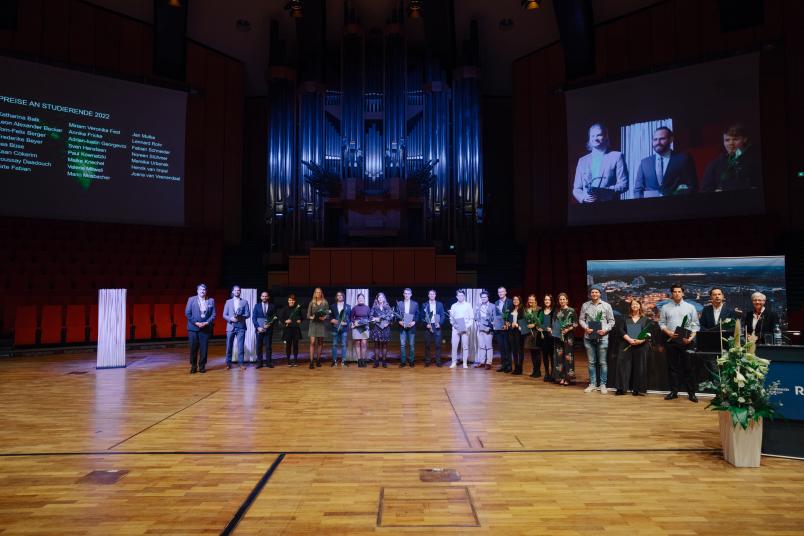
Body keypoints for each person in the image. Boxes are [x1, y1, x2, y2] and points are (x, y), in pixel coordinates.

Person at [659, 284, 701, 402]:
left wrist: (690, 338)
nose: (677, 293)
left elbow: (695, 325)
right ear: (671, 293)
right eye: (675, 292)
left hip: (686, 342)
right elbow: (661, 323)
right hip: (671, 341)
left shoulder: (690, 307)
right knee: (672, 368)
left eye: (679, 291)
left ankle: (691, 393)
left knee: (688, 368)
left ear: (683, 293)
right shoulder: (665, 307)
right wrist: (669, 333)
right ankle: (674, 392)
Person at [634, 126, 698, 198]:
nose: (658, 142)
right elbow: (638, 190)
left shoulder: (683, 159)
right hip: (650, 207)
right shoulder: (644, 163)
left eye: (662, 139)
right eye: (655, 139)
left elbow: (692, 186)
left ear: (671, 140)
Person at [572, 123, 628, 203]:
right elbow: (576, 189)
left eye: (599, 135)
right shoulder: (582, 161)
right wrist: (583, 197)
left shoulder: (617, 156)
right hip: (587, 209)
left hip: (609, 207)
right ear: (589, 138)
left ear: (606, 137)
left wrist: (602, 192)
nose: (595, 138)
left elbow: (624, 184)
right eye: (592, 136)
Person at [700, 124, 761, 193]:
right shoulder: (715, 164)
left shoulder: (755, 161)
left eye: (735, 139)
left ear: (745, 139)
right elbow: (704, 190)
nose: (731, 143)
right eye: (727, 140)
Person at [579, 285, 615, 393]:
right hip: (589, 338)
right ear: (590, 294)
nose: (594, 294)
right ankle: (592, 384)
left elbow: (612, 321)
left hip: (603, 337)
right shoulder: (585, 305)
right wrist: (586, 328)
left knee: (603, 362)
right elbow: (581, 320)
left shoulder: (606, 306)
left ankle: (603, 384)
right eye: (592, 292)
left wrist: (605, 330)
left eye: (596, 292)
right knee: (591, 362)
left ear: (600, 294)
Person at [615, 298, 650, 396]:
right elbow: (621, 330)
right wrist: (629, 339)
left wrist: (641, 340)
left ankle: (637, 389)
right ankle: (621, 388)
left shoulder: (645, 319)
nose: (635, 306)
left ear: (640, 306)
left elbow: (648, 333)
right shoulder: (625, 318)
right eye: (633, 304)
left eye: (637, 304)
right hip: (626, 344)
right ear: (630, 306)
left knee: (639, 367)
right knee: (623, 366)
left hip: (641, 345)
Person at [185, 283, 215, 374]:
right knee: (193, 348)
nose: (202, 291)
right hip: (193, 329)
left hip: (205, 328)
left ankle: (202, 366)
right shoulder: (191, 299)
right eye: (201, 289)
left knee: (204, 349)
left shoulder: (211, 300)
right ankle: (193, 366)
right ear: (197, 291)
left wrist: (206, 322)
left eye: (204, 290)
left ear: (206, 291)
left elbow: (213, 315)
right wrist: (196, 322)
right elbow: (187, 313)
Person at [223, 285, 250, 371]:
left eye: (239, 290)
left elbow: (248, 314)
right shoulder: (228, 302)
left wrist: (240, 317)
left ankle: (241, 364)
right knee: (229, 346)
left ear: (240, 292)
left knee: (240, 346)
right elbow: (224, 315)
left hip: (241, 327)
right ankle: (228, 364)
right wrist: (230, 319)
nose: (237, 292)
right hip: (230, 326)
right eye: (236, 290)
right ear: (233, 292)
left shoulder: (244, 302)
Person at [554, 292, 577, 386]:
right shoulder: (557, 311)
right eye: (560, 299)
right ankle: (562, 377)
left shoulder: (571, 310)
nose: (562, 301)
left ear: (567, 300)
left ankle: (568, 378)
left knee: (568, 357)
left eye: (564, 299)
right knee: (559, 357)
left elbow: (575, 324)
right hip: (558, 336)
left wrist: (567, 329)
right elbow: (555, 323)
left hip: (568, 337)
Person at [449, 289, 474, 369]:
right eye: (459, 295)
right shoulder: (453, 306)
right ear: (457, 296)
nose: (460, 297)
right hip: (456, 328)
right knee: (454, 345)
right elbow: (451, 319)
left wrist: (466, 326)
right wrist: (454, 325)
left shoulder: (468, 305)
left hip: (465, 328)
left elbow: (471, 318)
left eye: (462, 295)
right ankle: (453, 362)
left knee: (465, 346)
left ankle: (465, 363)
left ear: (464, 296)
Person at [306, 287, 330, 369]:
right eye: (316, 292)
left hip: (321, 324)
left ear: (321, 293)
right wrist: (312, 317)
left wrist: (325, 317)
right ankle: (311, 361)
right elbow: (308, 315)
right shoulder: (311, 302)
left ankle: (318, 360)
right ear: (314, 293)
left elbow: (328, 313)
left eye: (319, 292)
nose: (318, 293)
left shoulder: (325, 302)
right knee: (312, 343)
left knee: (320, 343)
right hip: (313, 324)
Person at [252, 291, 277, 369]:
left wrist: (270, 324)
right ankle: (259, 363)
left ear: (268, 297)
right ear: (260, 297)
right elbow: (254, 318)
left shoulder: (272, 306)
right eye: (263, 296)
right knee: (259, 346)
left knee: (268, 346)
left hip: (268, 329)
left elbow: (274, 317)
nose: (264, 297)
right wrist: (258, 327)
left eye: (266, 296)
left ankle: (268, 362)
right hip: (259, 329)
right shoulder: (257, 306)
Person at [421, 289, 445, 367]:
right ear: (428, 295)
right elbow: (422, 317)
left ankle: (438, 361)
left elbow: (442, 316)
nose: (432, 295)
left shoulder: (440, 304)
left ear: (435, 295)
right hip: (428, 326)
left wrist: (440, 323)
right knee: (427, 344)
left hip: (436, 325)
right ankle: (427, 361)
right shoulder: (424, 305)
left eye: (433, 294)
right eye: (430, 294)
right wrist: (426, 324)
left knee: (438, 345)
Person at [396, 288, 419, 368]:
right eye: (405, 293)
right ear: (403, 294)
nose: (406, 295)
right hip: (402, 327)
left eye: (408, 293)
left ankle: (411, 361)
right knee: (402, 345)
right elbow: (396, 315)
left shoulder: (415, 304)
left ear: (411, 294)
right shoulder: (399, 304)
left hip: (411, 327)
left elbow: (417, 315)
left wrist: (414, 322)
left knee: (411, 345)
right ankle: (403, 362)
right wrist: (399, 321)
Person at [474, 291, 497, 369]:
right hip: (480, 329)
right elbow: (476, 317)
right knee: (481, 346)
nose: (483, 298)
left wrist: (490, 327)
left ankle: (488, 363)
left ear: (488, 297)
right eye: (482, 297)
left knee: (489, 347)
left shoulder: (492, 306)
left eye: (485, 297)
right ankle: (482, 362)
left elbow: (495, 318)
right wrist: (476, 321)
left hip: (488, 329)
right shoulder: (479, 306)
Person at [370, 292, 394, 368]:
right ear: (377, 299)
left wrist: (388, 322)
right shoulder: (374, 307)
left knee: (385, 345)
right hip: (377, 328)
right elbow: (370, 317)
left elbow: (391, 317)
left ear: (384, 298)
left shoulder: (387, 307)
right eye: (379, 297)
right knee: (376, 345)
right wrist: (375, 319)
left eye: (382, 297)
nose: (380, 299)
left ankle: (384, 361)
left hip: (386, 328)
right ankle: (376, 361)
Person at [279, 294, 303, 367]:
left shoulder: (298, 308)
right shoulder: (284, 309)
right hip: (288, 330)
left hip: (295, 329)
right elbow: (280, 318)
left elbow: (302, 317)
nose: (291, 301)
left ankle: (295, 361)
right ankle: (288, 361)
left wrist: (300, 320)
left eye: (292, 300)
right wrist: (285, 321)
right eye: (290, 300)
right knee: (288, 346)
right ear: (288, 300)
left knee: (295, 345)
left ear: (294, 301)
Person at [522, 294, 543, 378]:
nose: (530, 301)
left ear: (535, 300)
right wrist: (526, 325)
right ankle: (534, 370)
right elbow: (524, 321)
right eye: (529, 300)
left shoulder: (539, 309)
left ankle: (538, 371)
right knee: (532, 353)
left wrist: (534, 325)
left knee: (537, 353)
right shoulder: (526, 310)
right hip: (529, 334)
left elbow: (541, 321)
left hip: (537, 333)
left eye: (532, 300)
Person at [494, 287, 514, 373]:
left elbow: (512, 314)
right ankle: (503, 365)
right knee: (501, 348)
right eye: (499, 292)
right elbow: (496, 316)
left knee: (507, 347)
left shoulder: (510, 301)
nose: (500, 293)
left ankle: (509, 366)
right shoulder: (496, 302)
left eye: (502, 291)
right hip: (499, 328)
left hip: (507, 328)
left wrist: (508, 323)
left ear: (505, 292)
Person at [537, 294, 556, 382]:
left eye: (548, 299)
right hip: (543, 336)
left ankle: (553, 373)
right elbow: (538, 322)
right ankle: (547, 373)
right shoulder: (540, 311)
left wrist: (552, 328)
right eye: (545, 300)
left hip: (551, 336)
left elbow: (557, 323)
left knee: (552, 355)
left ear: (551, 301)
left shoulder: (554, 311)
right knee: (544, 355)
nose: (547, 301)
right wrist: (538, 327)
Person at [329, 291, 351, 367]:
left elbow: (349, 318)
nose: (339, 296)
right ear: (336, 297)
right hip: (335, 328)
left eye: (341, 295)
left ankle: (343, 361)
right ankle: (334, 361)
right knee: (334, 345)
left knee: (344, 345)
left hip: (344, 328)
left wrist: (347, 323)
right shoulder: (332, 306)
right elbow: (330, 316)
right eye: (338, 295)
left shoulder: (348, 306)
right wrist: (331, 320)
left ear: (343, 296)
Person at [350, 293, 371, 367]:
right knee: (358, 343)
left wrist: (366, 322)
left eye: (362, 298)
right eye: (359, 298)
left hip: (364, 327)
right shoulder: (354, 308)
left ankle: (363, 359)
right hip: (357, 327)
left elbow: (370, 318)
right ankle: (359, 360)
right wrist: (354, 322)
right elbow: (351, 317)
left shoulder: (367, 308)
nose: (361, 299)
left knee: (364, 343)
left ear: (364, 299)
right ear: (357, 299)